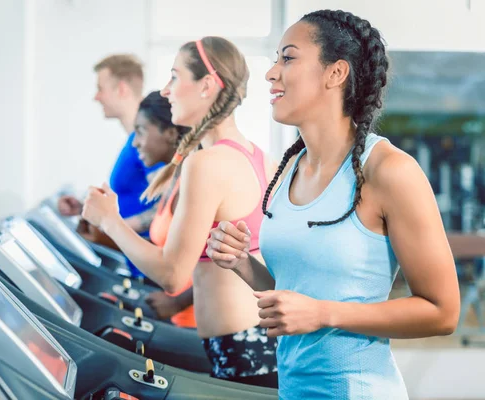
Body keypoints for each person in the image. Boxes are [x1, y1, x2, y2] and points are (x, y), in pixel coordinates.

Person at [205, 10, 461, 399]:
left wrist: (323, 314)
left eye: (287, 58)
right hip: (293, 390)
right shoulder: (291, 167)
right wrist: (243, 263)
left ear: (335, 73)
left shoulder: (390, 171)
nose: (271, 73)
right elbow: (299, 297)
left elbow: (443, 312)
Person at [81, 37, 279, 387]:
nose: (167, 91)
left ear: (206, 85)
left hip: (241, 350)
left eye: (174, 77)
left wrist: (108, 220)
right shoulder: (257, 155)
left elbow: (172, 274)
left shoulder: (207, 163)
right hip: (253, 343)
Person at [57, 54, 163, 277]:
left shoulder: (152, 144)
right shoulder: (133, 141)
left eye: (100, 88)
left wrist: (110, 225)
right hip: (136, 266)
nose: (96, 97)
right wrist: (88, 210)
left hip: (152, 270)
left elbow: (166, 206)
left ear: (121, 89)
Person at [132, 90, 195, 328]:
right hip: (180, 318)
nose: (135, 142)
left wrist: (178, 302)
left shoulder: (191, 183)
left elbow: (219, 263)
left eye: (140, 131)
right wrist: (103, 234)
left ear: (170, 133)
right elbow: (169, 250)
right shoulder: (175, 178)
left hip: (195, 323)